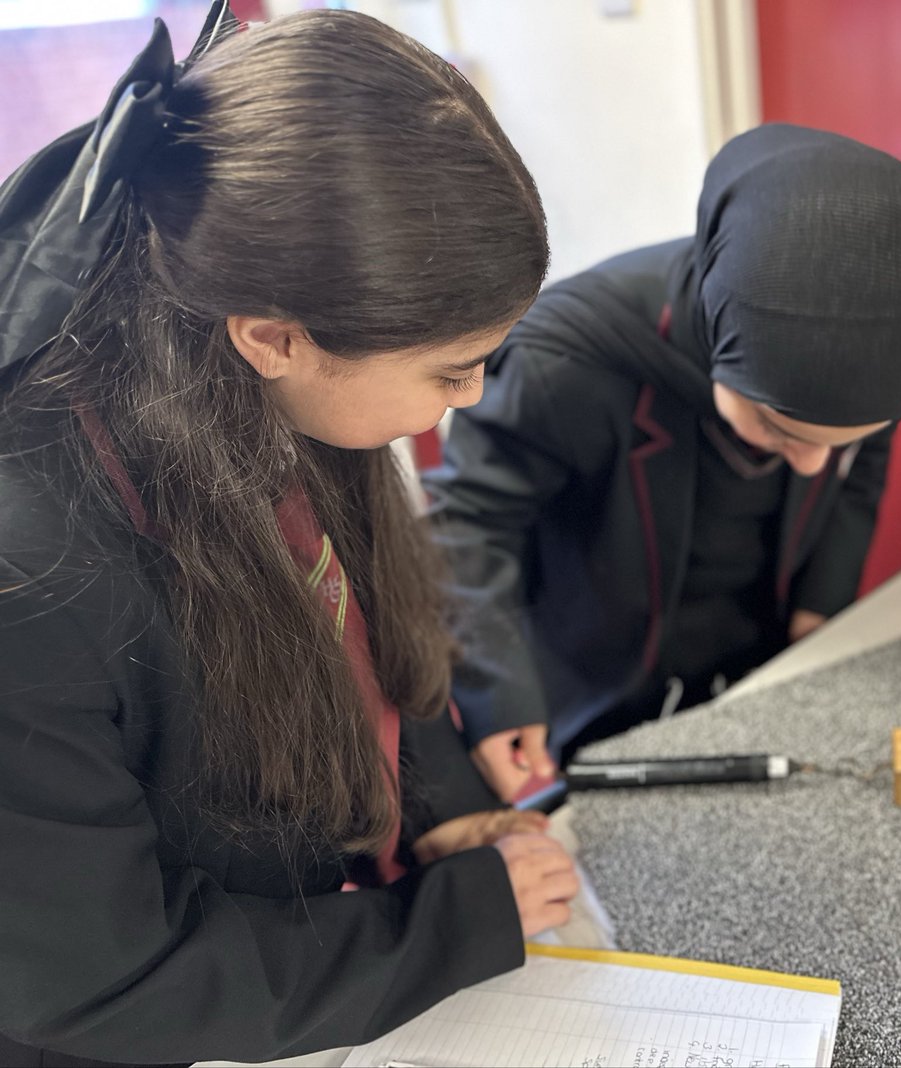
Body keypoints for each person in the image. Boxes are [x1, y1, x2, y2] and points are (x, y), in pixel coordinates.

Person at [0, 5, 578, 1066]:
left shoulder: (263, 372)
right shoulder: (29, 578)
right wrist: (450, 925)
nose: (473, 395)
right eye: (449, 369)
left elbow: (356, 616)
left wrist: (438, 801)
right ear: (274, 338)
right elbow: (101, 978)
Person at [423, 123, 901, 802]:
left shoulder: (861, 370)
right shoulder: (563, 362)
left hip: (758, 638)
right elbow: (466, 525)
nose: (812, 467)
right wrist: (496, 692)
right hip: (599, 667)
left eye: (842, 440)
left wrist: (823, 602)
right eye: (776, 425)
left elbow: (860, 469)